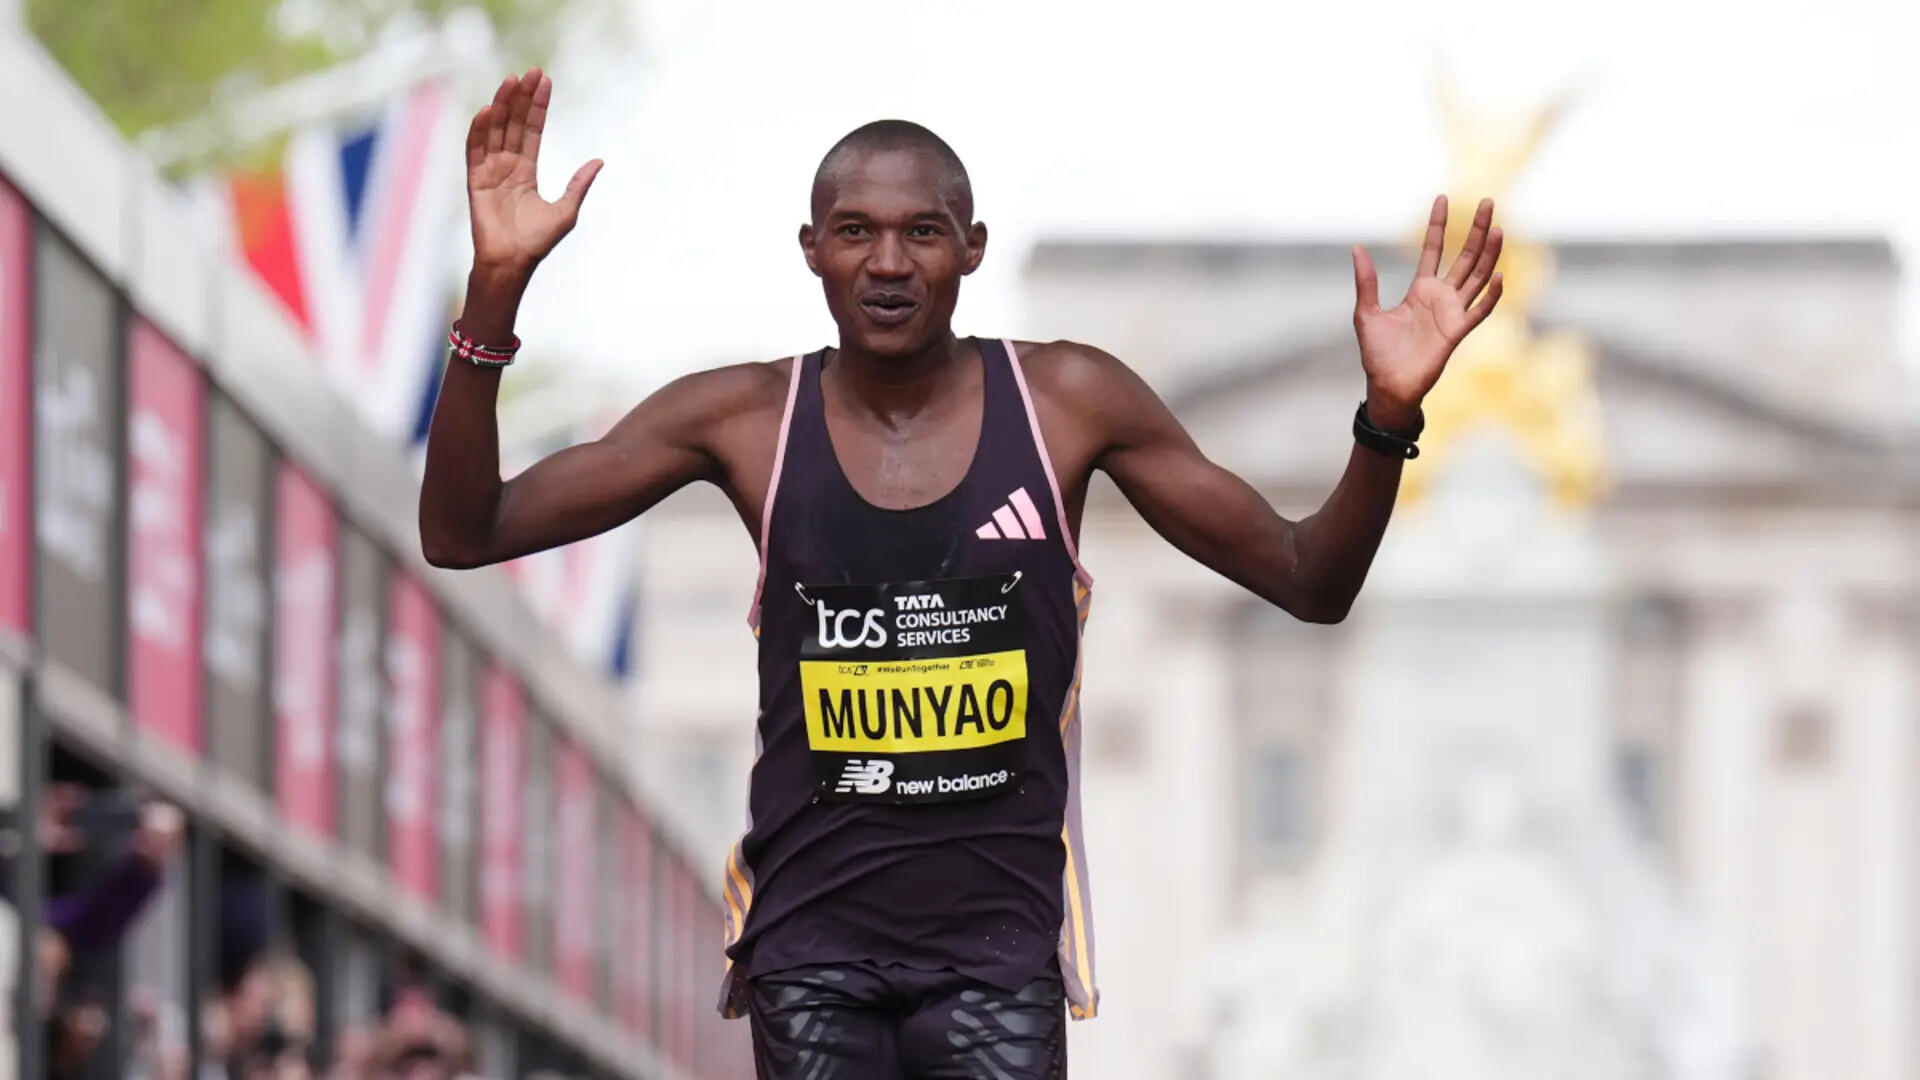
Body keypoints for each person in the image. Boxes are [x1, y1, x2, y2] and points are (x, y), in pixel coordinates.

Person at [420, 68, 1506, 1080]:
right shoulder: (744, 419)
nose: (888, 263)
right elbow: (466, 531)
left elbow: (1310, 580)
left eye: (923, 232)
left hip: (997, 960)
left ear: (972, 248)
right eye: (857, 231)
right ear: (811, 249)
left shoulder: (1068, 403)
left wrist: (1387, 418)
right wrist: (495, 290)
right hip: (811, 952)